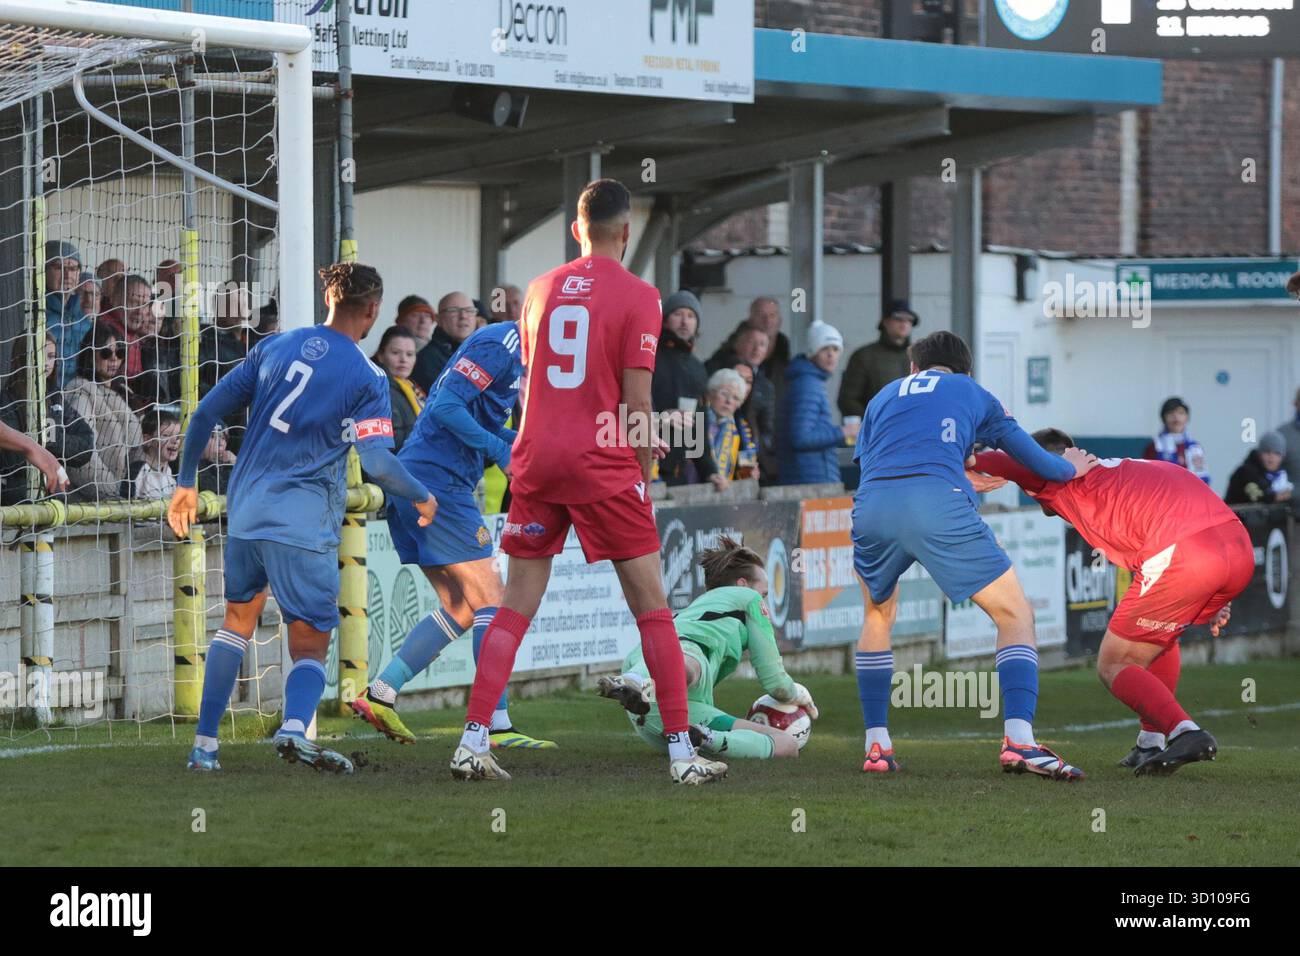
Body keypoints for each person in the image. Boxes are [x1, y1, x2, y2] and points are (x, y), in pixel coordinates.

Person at [450, 178, 726, 785]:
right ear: (626, 233)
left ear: (576, 229)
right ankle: (682, 755)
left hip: (537, 457)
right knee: (653, 610)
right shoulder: (639, 295)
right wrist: (644, 473)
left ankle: (472, 740)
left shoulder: (539, 290)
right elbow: (634, 400)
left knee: (515, 605)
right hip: (601, 461)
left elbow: (537, 381)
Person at [169, 262, 438, 775]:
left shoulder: (274, 346)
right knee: (311, 639)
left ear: (329, 298)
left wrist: (185, 484)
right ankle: (294, 728)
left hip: (246, 511)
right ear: (374, 310)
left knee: (236, 622)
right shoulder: (368, 375)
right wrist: (422, 496)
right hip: (304, 521)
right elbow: (378, 463)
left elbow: (205, 414)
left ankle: (204, 747)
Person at [852, 330, 1095, 778]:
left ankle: (876, 746)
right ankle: (1020, 740)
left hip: (871, 508)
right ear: (966, 370)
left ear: (913, 367)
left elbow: (877, 463)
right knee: (1015, 614)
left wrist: (960, 477)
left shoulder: (882, 396)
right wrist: (1068, 468)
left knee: (876, 616)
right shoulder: (971, 390)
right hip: (936, 506)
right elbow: (1031, 455)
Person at [971, 428, 1253, 775]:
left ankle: (1186, 731)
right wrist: (1211, 588)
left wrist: (965, 453)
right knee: (1156, 639)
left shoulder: (1053, 470)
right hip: (1236, 547)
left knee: (1113, 663)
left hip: (1188, 553)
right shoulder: (1123, 470)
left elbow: (984, 460)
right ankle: (1150, 742)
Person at [351, 319, 553, 750]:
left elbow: (467, 416)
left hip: (426, 480)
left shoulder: (510, 349)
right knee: (494, 600)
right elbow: (444, 408)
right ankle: (495, 724)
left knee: (462, 607)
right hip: (435, 485)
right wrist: (501, 451)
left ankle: (381, 693)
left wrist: (516, 442)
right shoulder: (503, 344)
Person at [598, 536, 817, 759]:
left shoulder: (695, 611)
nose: (763, 602)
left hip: (654, 704)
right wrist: (796, 692)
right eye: (763, 594)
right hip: (679, 678)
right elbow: (774, 681)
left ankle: (645, 687)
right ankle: (699, 729)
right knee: (689, 664)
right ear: (743, 586)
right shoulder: (748, 599)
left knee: (787, 745)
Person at [0, 333, 93, 505]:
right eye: (39, 355)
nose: (45, 363)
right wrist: (39, 447)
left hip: (53, 488)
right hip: (15, 493)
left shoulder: (56, 396)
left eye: (50, 356)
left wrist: (49, 442)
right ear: (23, 357)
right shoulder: (7, 398)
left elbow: (87, 444)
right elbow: (11, 460)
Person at [65, 325, 142, 500]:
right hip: (94, 499)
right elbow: (81, 454)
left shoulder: (124, 393)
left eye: (120, 352)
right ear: (90, 354)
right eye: (106, 353)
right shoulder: (79, 392)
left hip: (127, 494)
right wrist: (112, 493)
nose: (114, 359)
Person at [776, 321, 852, 485]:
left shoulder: (808, 381)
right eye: (825, 349)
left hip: (810, 475)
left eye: (836, 349)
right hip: (810, 479)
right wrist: (843, 432)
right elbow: (801, 438)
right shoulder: (808, 385)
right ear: (811, 352)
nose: (831, 355)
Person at [652, 289, 714, 487]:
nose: (685, 322)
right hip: (648, 467)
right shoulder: (650, 357)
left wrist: (710, 471)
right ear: (665, 320)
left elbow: (699, 427)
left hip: (679, 473)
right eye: (678, 314)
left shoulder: (697, 367)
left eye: (691, 316)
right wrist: (661, 419)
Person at [708, 323, 776, 483]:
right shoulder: (700, 418)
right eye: (737, 378)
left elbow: (746, 463)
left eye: (748, 382)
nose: (741, 386)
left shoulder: (745, 422)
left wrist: (748, 473)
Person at [837, 299, 919, 419]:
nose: (904, 324)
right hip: (877, 432)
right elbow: (848, 400)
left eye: (909, 320)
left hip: (911, 429)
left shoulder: (919, 355)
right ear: (885, 322)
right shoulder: (864, 356)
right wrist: (874, 422)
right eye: (898, 319)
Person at [370, 326, 425, 452]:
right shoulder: (378, 390)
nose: (403, 360)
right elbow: (390, 442)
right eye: (395, 353)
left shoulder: (412, 387)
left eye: (410, 354)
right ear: (381, 355)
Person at [411, 292, 478, 393]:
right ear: (438, 319)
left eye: (469, 311)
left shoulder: (486, 352)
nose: (463, 316)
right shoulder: (427, 360)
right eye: (454, 311)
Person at [46, 241, 91, 390]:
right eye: (59, 267)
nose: (67, 274)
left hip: (80, 390)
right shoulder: (36, 315)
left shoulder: (84, 319)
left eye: (72, 268)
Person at [703, 368, 758, 483]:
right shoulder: (697, 420)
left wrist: (749, 473)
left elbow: (744, 469)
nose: (729, 401)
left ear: (739, 404)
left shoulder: (740, 430)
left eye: (735, 398)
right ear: (711, 393)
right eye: (724, 394)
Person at [1143, 397, 1210, 484]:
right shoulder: (1155, 446)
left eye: (1181, 413)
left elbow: (1203, 479)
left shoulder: (1195, 447)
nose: (1176, 417)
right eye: (1170, 413)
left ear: (1187, 417)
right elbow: (1146, 478)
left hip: (1191, 494)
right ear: (1163, 418)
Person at [1225, 431, 1293, 505]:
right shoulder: (1245, 472)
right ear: (1259, 454)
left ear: (1282, 457)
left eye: (1277, 453)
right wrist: (1275, 497)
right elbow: (1256, 495)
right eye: (1267, 452)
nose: (1271, 457)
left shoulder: (1281, 475)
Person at [125, 409, 181, 500]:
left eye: (177, 436)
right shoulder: (138, 470)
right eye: (166, 435)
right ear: (148, 440)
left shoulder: (170, 473)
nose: (175, 441)